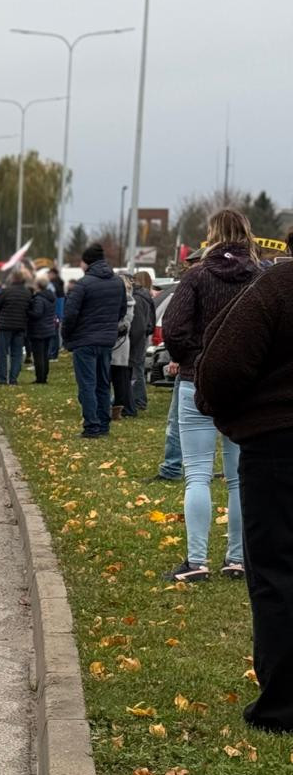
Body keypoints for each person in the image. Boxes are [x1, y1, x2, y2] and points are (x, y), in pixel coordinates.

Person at [194, 255, 293, 732]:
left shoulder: (279, 285)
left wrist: (222, 410)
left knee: (276, 569)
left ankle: (283, 702)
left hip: (279, 443)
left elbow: (222, 365)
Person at [160, 209, 255, 582]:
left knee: (197, 473)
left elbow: (173, 329)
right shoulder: (259, 278)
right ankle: (237, 558)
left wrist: (195, 360)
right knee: (237, 477)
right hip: (244, 386)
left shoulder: (196, 276)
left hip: (196, 382)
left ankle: (196, 561)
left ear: (212, 235)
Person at [60, 243, 126, 438]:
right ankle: (104, 425)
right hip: (106, 341)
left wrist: (67, 336)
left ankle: (91, 426)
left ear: (87, 262)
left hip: (85, 341)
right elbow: (121, 311)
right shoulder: (117, 282)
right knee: (103, 384)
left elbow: (70, 314)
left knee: (87, 384)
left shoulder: (83, 284)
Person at [0, 266, 32, 385]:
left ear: (13, 278)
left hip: (5, 326)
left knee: (2, 353)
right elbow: (29, 308)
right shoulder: (27, 292)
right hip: (20, 326)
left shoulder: (6, 291)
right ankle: (13, 379)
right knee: (17, 354)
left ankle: (2, 379)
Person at [126, 275, 157, 415]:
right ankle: (137, 399)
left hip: (136, 340)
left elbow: (137, 326)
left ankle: (138, 401)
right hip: (141, 337)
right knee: (137, 370)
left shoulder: (137, 298)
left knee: (136, 371)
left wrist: (130, 341)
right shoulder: (144, 296)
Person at [109, 274, 137, 419]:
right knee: (119, 379)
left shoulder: (124, 301)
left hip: (116, 343)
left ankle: (115, 408)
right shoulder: (130, 300)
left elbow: (123, 324)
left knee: (113, 378)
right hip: (122, 345)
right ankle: (117, 408)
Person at [26, 273, 57, 384]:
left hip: (39, 330)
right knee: (45, 355)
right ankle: (44, 377)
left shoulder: (39, 298)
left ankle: (40, 378)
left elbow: (37, 314)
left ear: (38, 285)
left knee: (38, 355)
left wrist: (27, 311)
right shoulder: (51, 297)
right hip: (48, 328)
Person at [47, 267, 66, 359]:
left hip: (55, 312)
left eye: (49, 274)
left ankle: (52, 353)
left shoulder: (54, 284)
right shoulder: (59, 283)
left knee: (53, 333)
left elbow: (54, 299)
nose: (48, 276)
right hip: (58, 312)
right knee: (55, 333)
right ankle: (54, 353)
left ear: (53, 274)